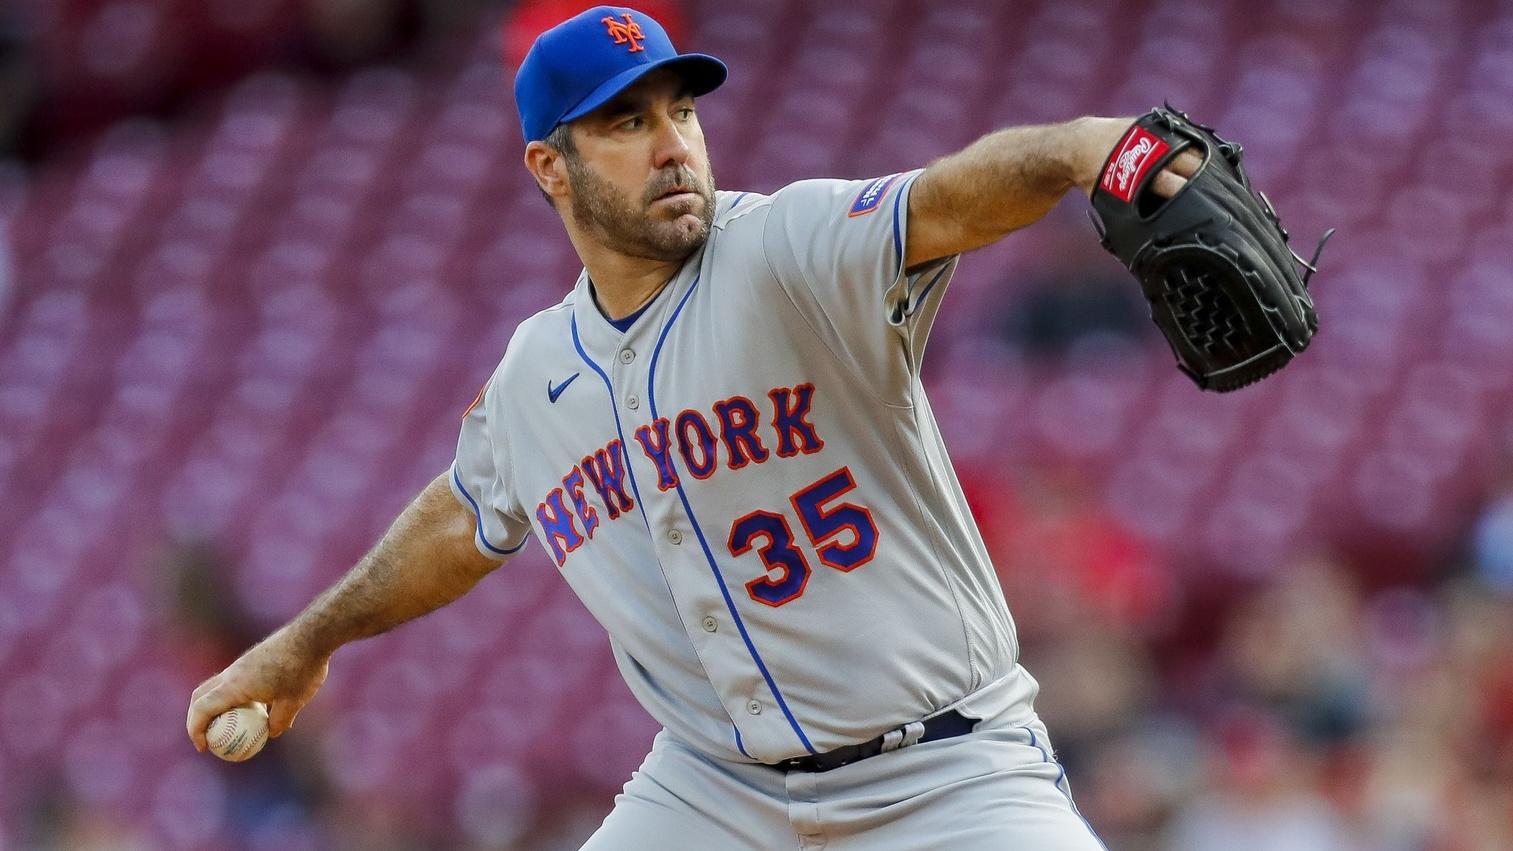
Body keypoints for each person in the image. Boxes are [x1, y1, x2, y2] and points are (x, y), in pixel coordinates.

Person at [187, 6, 1200, 848]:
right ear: (550, 167)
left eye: (679, 110)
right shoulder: (537, 370)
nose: (672, 142)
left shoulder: (784, 250)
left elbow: (949, 197)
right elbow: (465, 514)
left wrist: (1076, 148)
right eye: (624, 123)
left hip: (945, 768)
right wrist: (303, 643)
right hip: (718, 793)